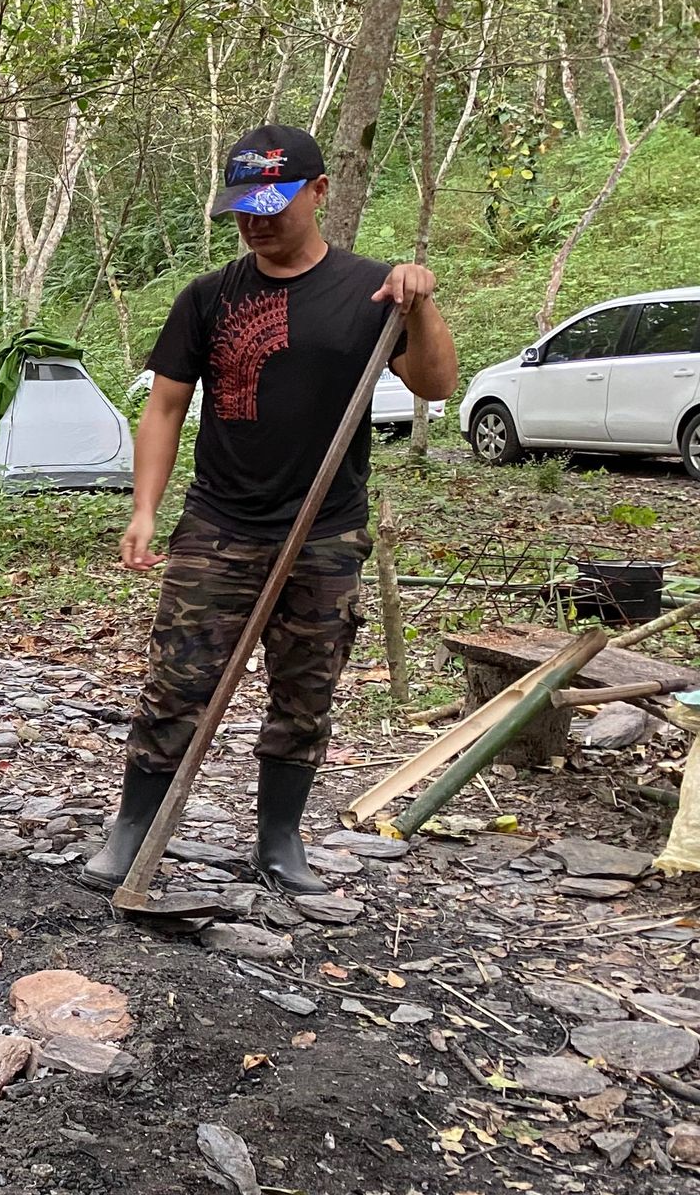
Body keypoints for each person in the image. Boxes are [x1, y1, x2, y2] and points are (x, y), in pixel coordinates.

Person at [83, 126, 458, 895]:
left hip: (324, 530)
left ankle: (279, 838)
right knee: (175, 682)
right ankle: (133, 828)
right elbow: (163, 409)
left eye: (273, 205)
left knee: (306, 687)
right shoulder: (209, 297)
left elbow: (437, 385)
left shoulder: (371, 292)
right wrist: (143, 510)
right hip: (220, 523)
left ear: (318, 193)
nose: (256, 221)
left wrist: (420, 305)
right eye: (243, 208)